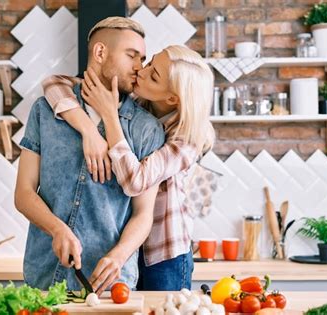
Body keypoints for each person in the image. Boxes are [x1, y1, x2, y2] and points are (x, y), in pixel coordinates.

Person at [42, 45, 216, 290]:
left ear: (172, 98)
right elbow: (54, 83)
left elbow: (135, 182)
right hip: (124, 244)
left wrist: (110, 116)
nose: (141, 72)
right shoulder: (137, 102)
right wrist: (88, 130)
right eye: (150, 62)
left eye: (153, 76)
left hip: (162, 254)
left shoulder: (188, 139)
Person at [14, 17, 165, 293]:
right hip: (43, 277)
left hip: (110, 284)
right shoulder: (45, 111)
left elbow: (143, 215)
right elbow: (23, 193)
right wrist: (56, 229)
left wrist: (119, 256)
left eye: (142, 59)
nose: (139, 68)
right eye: (131, 56)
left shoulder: (147, 128)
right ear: (100, 52)